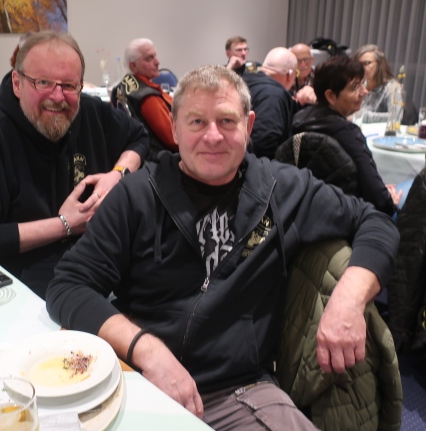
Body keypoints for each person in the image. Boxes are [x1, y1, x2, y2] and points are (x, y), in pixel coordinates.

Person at [47, 65, 399, 430]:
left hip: (237, 391)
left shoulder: (283, 189)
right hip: (140, 379)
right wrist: (147, 350)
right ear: (174, 127)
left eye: (227, 121)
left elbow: (376, 222)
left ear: (249, 125)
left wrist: (348, 299)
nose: (213, 136)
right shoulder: (136, 195)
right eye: (197, 122)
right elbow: (68, 286)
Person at [0, 31, 149, 299]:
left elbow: (139, 138)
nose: (57, 96)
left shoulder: (91, 113)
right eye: (43, 82)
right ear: (17, 83)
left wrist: (117, 174)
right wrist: (64, 224)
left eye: (69, 85)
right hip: (26, 287)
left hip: (101, 268)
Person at [292, 55, 402, 215]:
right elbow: (379, 201)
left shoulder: (299, 119)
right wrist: (390, 201)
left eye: (363, 84)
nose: (364, 91)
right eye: (355, 87)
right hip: (345, 214)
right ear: (330, 96)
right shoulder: (347, 133)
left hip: (304, 208)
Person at [114, 38, 178, 160]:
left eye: (155, 56)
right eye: (149, 58)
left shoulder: (123, 85)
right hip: (161, 159)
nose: (157, 62)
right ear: (133, 66)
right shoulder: (148, 97)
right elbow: (174, 140)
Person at [243, 47, 299, 159]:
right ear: (290, 74)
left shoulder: (245, 80)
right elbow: (264, 144)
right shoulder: (274, 95)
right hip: (257, 165)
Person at [353, 44, 403, 123]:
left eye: (367, 63)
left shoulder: (392, 87)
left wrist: (360, 116)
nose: (361, 68)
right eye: (359, 64)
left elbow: (395, 117)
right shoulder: (358, 84)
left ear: (379, 64)